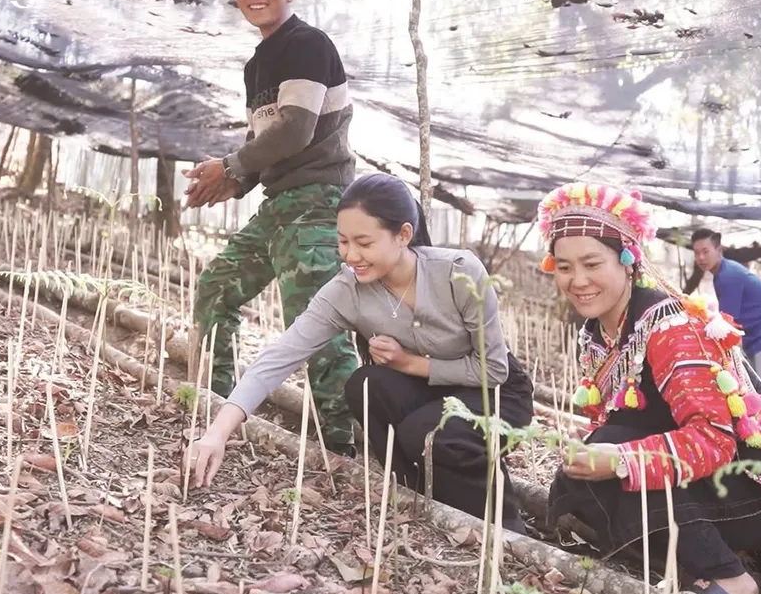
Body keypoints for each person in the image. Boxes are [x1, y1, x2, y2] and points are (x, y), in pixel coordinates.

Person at [540, 184, 761, 594]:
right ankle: (733, 565)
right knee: (584, 473)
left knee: (618, 465)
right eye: (564, 266)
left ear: (628, 258)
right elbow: (619, 420)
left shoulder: (671, 329)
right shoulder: (599, 333)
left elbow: (712, 442)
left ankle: (732, 579)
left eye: (591, 263)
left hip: (760, 485)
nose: (577, 280)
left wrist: (619, 457)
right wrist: (601, 451)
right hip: (708, 482)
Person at [188, 173, 536, 533]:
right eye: (342, 242)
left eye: (364, 243)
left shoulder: (459, 274)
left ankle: (505, 527)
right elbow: (280, 356)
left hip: (495, 395)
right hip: (432, 395)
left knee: (429, 432)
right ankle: (420, 503)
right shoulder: (346, 291)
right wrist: (217, 433)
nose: (351, 255)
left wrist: (410, 363)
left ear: (402, 235)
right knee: (365, 385)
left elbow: (494, 371)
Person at [181, 0, 358, 453]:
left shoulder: (306, 44)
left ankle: (343, 444)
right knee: (216, 288)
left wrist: (231, 166)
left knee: (315, 323)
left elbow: (297, 132)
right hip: (280, 205)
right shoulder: (258, 63)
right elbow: (271, 145)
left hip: (318, 204)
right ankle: (216, 407)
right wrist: (235, 183)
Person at [692, 228, 761, 408]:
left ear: (719, 250)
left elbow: (726, 323)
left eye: (705, 251)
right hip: (759, 341)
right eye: (697, 253)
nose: (701, 258)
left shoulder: (728, 275)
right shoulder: (721, 274)